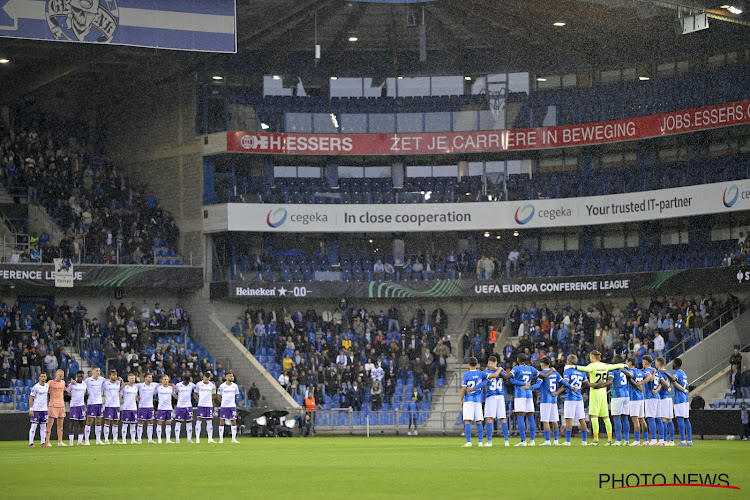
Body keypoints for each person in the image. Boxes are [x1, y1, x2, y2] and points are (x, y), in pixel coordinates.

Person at [575, 350, 625, 445]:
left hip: (595, 392)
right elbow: (618, 365)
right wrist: (624, 365)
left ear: (593, 357)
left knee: (594, 417)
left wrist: (574, 366)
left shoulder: (592, 365)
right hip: (603, 393)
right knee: (606, 417)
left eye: (590, 356)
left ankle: (596, 440)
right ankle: (609, 439)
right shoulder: (605, 365)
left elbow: (584, 369)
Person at [460, 356, 502, 447]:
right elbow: (494, 375)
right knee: (479, 421)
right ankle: (480, 442)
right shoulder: (481, 373)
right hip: (478, 401)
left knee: (467, 421)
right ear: (477, 364)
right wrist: (499, 369)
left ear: (468, 365)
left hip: (468, 400)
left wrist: (461, 400)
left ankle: (468, 442)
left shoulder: (466, 375)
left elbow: (464, 389)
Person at [536, 357, 570, 446]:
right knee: (554, 420)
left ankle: (547, 441)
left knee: (545, 420)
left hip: (545, 399)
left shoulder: (542, 373)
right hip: (554, 399)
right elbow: (564, 383)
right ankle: (556, 441)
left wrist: (530, 387)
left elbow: (538, 385)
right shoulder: (555, 373)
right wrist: (571, 387)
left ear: (542, 364)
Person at [482, 355, 514, 446]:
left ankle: (489, 441)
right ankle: (506, 441)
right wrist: (499, 369)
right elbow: (506, 377)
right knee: (502, 418)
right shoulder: (502, 371)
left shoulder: (487, 371)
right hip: (500, 396)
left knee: (489, 418)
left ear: (489, 363)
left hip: (491, 396)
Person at [661, 357, 693, 446]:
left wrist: (666, 374)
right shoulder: (683, 373)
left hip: (679, 398)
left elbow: (673, 380)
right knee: (686, 419)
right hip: (685, 398)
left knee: (680, 418)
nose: (672, 364)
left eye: (673, 362)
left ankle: (683, 441)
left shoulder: (676, 373)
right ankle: (689, 440)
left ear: (675, 364)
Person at [511, 354, 539, 446]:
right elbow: (541, 375)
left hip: (520, 394)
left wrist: (521, 383)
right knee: (531, 417)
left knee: (520, 416)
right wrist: (532, 386)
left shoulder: (516, 368)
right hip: (529, 394)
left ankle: (523, 441)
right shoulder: (531, 369)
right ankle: (532, 441)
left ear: (518, 359)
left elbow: (510, 379)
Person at [562, 355, 588, 446]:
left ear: (569, 361)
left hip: (570, 397)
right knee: (582, 419)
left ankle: (567, 441)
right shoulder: (581, 372)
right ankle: (584, 441)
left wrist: (558, 392)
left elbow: (566, 383)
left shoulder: (567, 371)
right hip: (579, 397)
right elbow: (586, 384)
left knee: (569, 419)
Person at [607, 355, 631, 446]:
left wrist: (602, 384)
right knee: (625, 418)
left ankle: (619, 440)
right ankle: (627, 440)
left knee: (616, 417)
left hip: (617, 395)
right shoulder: (624, 370)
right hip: (626, 394)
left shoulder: (613, 371)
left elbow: (610, 381)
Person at [623, 357, 645, 446]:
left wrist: (622, 370)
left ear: (630, 363)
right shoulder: (640, 371)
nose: (626, 364)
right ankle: (646, 440)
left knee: (635, 420)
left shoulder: (632, 371)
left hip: (634, 397)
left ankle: (637, 440)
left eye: (626, 362)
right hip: (641, 397)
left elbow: (630, 375)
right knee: (642, 419)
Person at [654, 356, 675, 446]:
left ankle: (664, 441)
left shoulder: (659, 373)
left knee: (663, 419)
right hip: (669, 398)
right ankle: (672, 441)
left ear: (658, 363)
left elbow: (662, 385)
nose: (655, 363)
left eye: (656, 362)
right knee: (669, 419)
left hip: (663, 398)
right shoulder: (668, 372)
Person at [640, 355, 661, 446]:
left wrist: (640, 383)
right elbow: (661, 383)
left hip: (650, 397)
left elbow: (649, 378)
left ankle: (653, 440)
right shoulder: (656, 371)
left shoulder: (647, 370)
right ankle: (662, 440)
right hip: (657, 396)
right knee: (658, 418)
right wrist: (656, 390)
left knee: (650, 418)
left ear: (645, 362)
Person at [28, 373, 51, 448]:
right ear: (39, 377)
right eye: (42, 376)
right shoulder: (36, 387)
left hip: (44, 409)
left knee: (43, 426)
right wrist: (31, 409)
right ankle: (31, 443)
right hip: (36, 409)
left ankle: (43, 442)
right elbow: (31, 398)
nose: (43, 378)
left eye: (44, 376)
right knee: (34, 426)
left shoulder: (47, 386)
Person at [84, 367, 106, 445]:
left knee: (99, 421)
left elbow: (110, 383)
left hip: (99, 403)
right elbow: (82, 386)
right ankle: (86, 440)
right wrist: (86, 394)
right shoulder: (87, 380)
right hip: (91, 403)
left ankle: (98, 440)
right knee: (89, 421)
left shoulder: (102, 379)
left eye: (99, 371)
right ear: (93, 372)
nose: (98, 372)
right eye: (96, 371)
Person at [45, 369, 67, 446]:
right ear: (56, 374)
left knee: (60, 424)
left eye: (62, 375)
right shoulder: (50, 383)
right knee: (50, 424)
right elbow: (46, 392)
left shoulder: (63, 383)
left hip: (61, 405)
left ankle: (60, 441)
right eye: (60, 375)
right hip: (53, 405)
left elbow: (64, 392)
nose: (61, 376)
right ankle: (47, 441)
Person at [217, 372, 240, 443]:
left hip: (232, 406)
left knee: (233, 421)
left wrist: (232, 401)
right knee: (222, 421)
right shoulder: (222, 386)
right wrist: (222, 402)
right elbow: (218, 396)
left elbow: (236, 395)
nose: (232, 377)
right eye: (230, 376)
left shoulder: (235, 386)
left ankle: (233, 439)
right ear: (226, 377)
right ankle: (221, 439)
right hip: (224, 406)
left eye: (232, 376)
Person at [194, 373, 217, 443]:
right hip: (201, 405)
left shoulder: (212, 385)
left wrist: (210, 401)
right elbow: (195, 394)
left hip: (209, 405)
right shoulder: (198, 384)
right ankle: (197, 438)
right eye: (205, 377)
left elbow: (214, 395)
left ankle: (210, 438)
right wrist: (199, 401)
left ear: (209, 378)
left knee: (209, 421)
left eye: (208, 378)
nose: (206, 379)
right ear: (203, 377)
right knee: (199, 421)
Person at [66, 370, 87, 445]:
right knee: (72, 423)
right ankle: (71, 442)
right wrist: (70, 385)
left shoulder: (84, 385)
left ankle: (80, 441)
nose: (80, 377)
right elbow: (65, 391)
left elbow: (84, 394)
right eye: (79, 375)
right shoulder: (72, 384)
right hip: (74, 406)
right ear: (77, 376)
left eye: (81, 375)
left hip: (81, 406)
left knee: (81, 423)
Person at [136, 373, 158, 444]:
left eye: (151, 377)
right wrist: (136, 396)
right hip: (142, 407)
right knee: (140, 423)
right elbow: (131, 386)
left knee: (150, 422)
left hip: (150, 407)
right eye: (149, 377)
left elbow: (162, 384)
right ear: (145, 378)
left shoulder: (154, 385)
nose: (150, 378)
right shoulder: (140, 385)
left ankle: (150, 439)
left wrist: (171, 385)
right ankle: (139, 439)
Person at [174, 373, 196, 444]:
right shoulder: (178, 385)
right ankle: (177, 439)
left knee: (189, 422)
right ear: (183, 380)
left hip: (188, 406)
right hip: (180, 406)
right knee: (178, 422)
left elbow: (197, 388)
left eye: (188, 382)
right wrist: (178, 398)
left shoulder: (191, 385)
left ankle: (189, 439)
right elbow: (173, 393)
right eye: (186, 382)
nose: (187, 383)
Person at [103, 370, 122, 444]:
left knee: (116, 422)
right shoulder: (106, 383)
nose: (114, 376)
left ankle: (115, 439)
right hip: (109, 405)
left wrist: (122, 380)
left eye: (115, 375)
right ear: (110, 375)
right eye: (113, 375)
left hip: (116, 405)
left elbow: (122, 388)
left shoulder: (118, 382)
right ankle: (106, 439)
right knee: (107, 422)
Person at [155, 375, 175, 444]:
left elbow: (175, 395)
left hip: (169, 408)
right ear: (162, 380)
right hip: (161, 408)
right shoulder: (158, 388)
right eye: (164, 379)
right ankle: (159, 439)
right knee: (159, 423)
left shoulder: (171, 388)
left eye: (167, 379)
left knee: (169, 423)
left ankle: (168, 439)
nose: (166, 381)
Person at [120, 373, 139, 444]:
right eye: (131, 378)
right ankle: (124, 440)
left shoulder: (136, 387)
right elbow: (120, 396)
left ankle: (133, 440)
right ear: (128, 379)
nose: (133, 379)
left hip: (134, 408)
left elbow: (136, 397)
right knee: (125, 424)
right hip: (126, 408)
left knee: (133, 424)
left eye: (133, 378)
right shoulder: (124, 387)